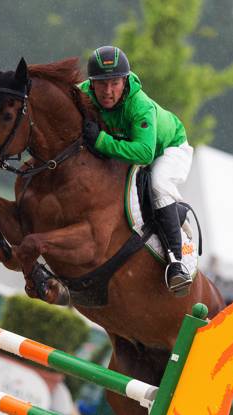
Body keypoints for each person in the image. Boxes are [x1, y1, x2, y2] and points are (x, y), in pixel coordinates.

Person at [79, 45, 194, 294]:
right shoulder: (82, 94)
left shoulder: (139, 105)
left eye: (114, 83)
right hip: (134, 149)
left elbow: (144, 153)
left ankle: (176, 264)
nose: (108, 92)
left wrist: (100, 141)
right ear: (91, 84)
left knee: (158, 183)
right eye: (101, 84)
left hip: (169, 149)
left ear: (125, 81)